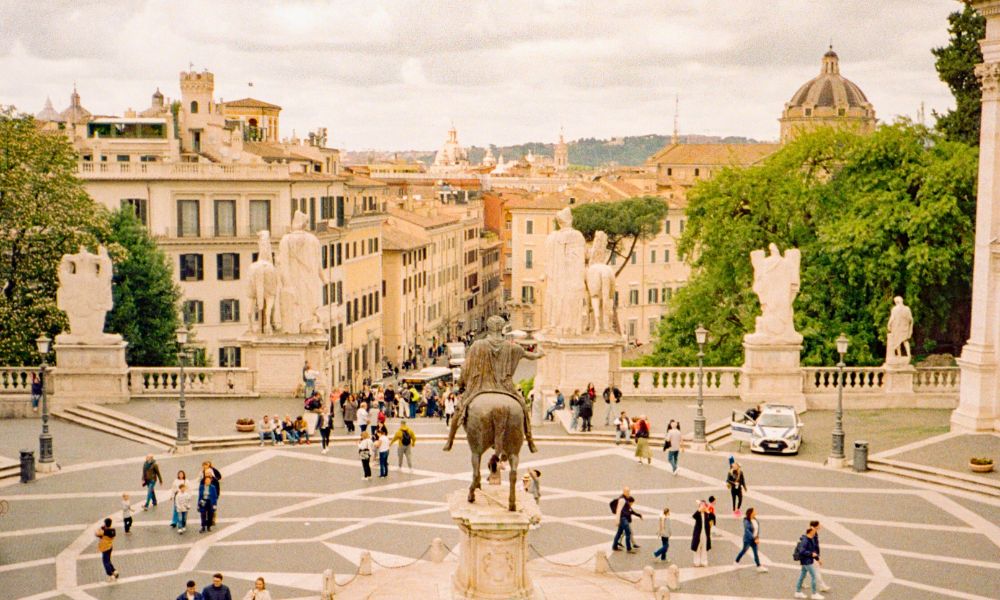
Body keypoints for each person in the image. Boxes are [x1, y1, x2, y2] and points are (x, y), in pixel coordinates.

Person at [444, 315, 543, 452]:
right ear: (502, 328)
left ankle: (450, 441)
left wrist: (460, 384)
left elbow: (466, 367)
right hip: (505, 387)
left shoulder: (478, 345)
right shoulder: (511, 346)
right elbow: (530, 355)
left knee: (459, 410)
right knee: (524, 409)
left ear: (489, 328)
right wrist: (540, 354)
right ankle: (530, 441)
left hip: (480, 387)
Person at [794, 525, 823, 599]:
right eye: (814, 531)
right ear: (810, 532)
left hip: (807, 560)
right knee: (813, 576)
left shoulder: (811, 539)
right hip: (806, 561)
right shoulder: (805, 541)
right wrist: (810, 554)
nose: (815, 532)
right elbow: (802, 551)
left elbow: (813, 551)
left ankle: (798, 592)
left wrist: (817, 559)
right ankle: (814, 594)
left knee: (802, 576)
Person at [734, 507, 768, 572]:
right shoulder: (746, 521)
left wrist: (757, 537)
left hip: (754, 539)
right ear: (751, 513)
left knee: (756, 553)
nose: (755, 512)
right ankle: (736, 562)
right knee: (744, 551)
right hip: (748, 540)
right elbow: (747, 531)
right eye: (754, 511)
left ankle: (758, 566)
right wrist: (754, 538)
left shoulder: (755, 520)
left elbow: (757, 529)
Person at [611, 487, 642, 553]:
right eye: (628, 492)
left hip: (624, 519)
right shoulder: (622, 499)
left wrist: (638, 515)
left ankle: (614, 546)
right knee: (628, 533)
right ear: (624, 492)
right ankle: (629, 549)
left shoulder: (625, 499)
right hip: (623, 519)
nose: (629, 493)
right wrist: (617, 520)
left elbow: (629, 510)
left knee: (619, 533)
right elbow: (618, 510)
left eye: (629, 492)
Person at [810, 520, 832, 593]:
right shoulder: (812, 535)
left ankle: (801, 584)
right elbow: (813, 548)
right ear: (815, 526)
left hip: (807, 556)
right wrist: (817, 559)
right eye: (819, 525)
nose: (820, 526)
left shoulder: (813, 533)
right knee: (817, 571)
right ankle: (822, 586)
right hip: (811, 556)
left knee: (804, 570)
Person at [96, 517, 119, 582]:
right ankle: (114, 571)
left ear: (105, 524)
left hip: (105, 547)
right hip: (110, 546)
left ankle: (110, 575)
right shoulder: (113, 530)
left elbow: (97, 533)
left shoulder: (105, 531)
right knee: (108, 560)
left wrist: (101, 528)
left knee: (105, 562)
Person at [691, 500, 712, 567]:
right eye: (701, 505)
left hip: (705, 534)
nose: (703, 507)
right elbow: (694, 516)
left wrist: (707, 510)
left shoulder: (707, 514)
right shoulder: (698, 514)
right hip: (698, 534)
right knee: (697, 548)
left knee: (704, 548)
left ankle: (704, 562)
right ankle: (696, 562)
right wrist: (700, 509)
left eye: (704, 505)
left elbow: (712, 517)